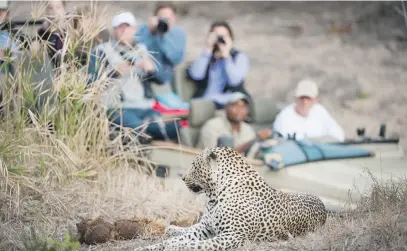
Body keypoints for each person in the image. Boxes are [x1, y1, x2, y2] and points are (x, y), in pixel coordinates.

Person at [87, 11, 181, 142]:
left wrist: (152, 69)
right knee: (137, 129)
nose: (125, 30)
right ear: (114, 30)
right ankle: (144, 153)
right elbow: (91, 87)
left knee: (175, 128)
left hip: (145, 106)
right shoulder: (100, 51)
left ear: (134, 29)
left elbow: (163, 79)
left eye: (128, 27)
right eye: (121, 27)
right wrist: (114, 73)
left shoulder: (142, 50)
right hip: (118, 107)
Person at [187, 20, 250, 109]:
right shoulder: (207, 56)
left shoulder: (240, 57)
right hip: (206, 101)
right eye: (216, 36)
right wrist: (208, 49)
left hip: (229, 102)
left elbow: (235, 80)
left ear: (231, 39)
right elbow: (196, 75)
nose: (220, 39)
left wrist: (227, 57)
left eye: (224, 36)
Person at [135, 2, 186, 97]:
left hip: (163, 78)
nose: (165, 21)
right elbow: (135, 48)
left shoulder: (179, 34)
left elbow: (176, 58)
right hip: (141, 74)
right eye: (162, 18)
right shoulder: (145, 29)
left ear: (174, 18)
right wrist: (150, 32)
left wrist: (163, 36)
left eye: (168, 18)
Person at [272, 79, 345, 142]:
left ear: (315, 100)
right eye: (302, 98)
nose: (305, 102)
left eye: (308, 98)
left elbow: (339, 135)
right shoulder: (284, 117)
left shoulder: (320, 111)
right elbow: (287, 144)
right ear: (296, 99)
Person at [197, 92, 271, 153]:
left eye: (243, 107)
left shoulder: (247, 129)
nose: (239, 110)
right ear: (226, 108)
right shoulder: (212, 126)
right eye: (235, 106)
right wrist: (254, 140)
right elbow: (220, 159)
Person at [36, 0, 67, 68]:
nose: (54, 11)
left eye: (58, 7)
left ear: (64, 9)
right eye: (50, 8)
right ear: (46, 11)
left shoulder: (71, 32)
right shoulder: (42, 34)